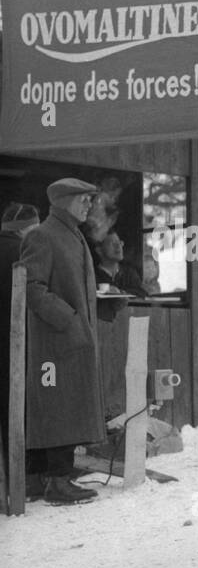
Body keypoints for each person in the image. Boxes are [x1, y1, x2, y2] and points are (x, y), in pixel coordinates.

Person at [15, 179, 105, 505]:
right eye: (83, 199)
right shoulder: (43, 235)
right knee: (56, 407)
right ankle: (57, 481)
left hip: (71, 340)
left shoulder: (74, 235)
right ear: (64, 201)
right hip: (54, 343)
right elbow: (31, 287)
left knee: (63, 406)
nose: (89, 205)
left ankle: (42, 479)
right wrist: (68, 318)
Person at [1, 203, 41, 500]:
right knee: (21, 408)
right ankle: (26, 479)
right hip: (16, 343)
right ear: (29, 228)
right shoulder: (24, 254)